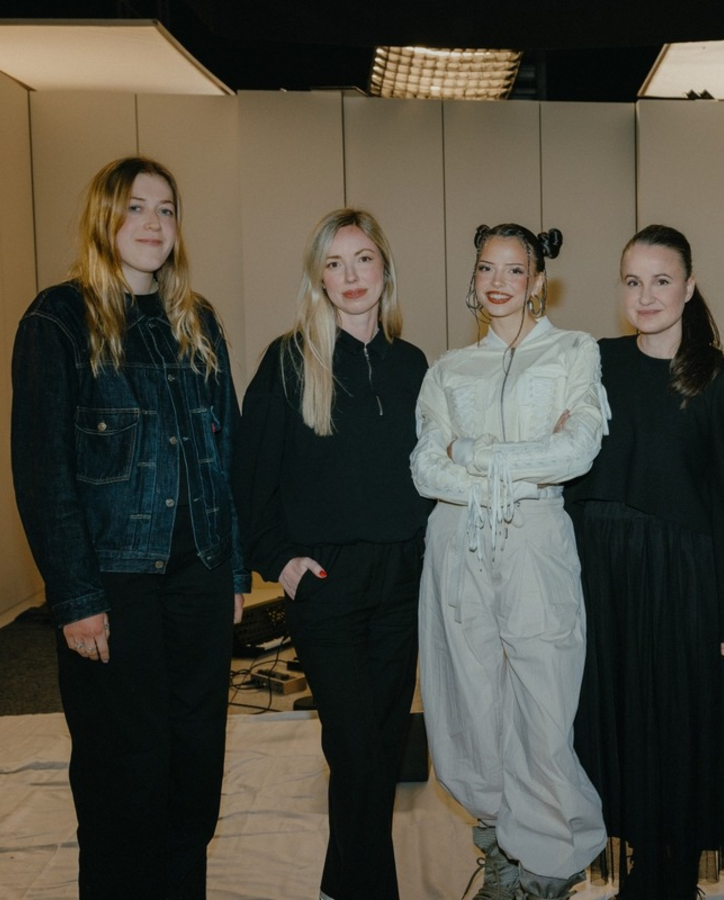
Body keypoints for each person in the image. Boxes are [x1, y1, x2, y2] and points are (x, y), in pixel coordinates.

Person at [9, 156, 248, 899]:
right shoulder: (57, 319)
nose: (153, 223)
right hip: (113, 584)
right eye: (136, 207)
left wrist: (235, 572)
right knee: (124, 772)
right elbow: (43, 472)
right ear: (104, 219)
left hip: (198, 576)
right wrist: (75, 597)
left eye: (166, 209)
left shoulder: (197, 321)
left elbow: (225, 459)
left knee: (194, 765)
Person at [233, 208, 431, 900]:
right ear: (319, 278)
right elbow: (250, 479)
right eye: (335, 264)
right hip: (327, 586)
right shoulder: (289, 361)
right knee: (355, 753)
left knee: (378, 751)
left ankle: (338, 884)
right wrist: (279, 560)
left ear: (385, 270)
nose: (351, 276)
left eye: (363, 260)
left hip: (401, 585)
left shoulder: (411, 365)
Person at [410, 223, 608, 900]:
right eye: (486, 269)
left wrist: (471, 454)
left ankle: (549, 862)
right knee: (467, 699)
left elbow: (576, 451)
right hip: (456, 540)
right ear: (473, 279)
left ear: (537, 281)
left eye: (514, 270)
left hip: (535, 539)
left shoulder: (573, 352)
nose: (498, 283)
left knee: (545, 699)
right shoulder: (447, 370)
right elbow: (424, 469)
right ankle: (500, 844)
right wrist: (516, 465)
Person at [568, 224, 724, 899]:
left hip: (679, 577)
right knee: (615, 717)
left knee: (673, 720)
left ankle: (671, 875)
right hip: (602, 572)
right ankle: (641, 862)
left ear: (689, 287)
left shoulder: (719, 380)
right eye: (633, 281)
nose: (646, 296)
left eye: (662, 281)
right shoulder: (594, 361)